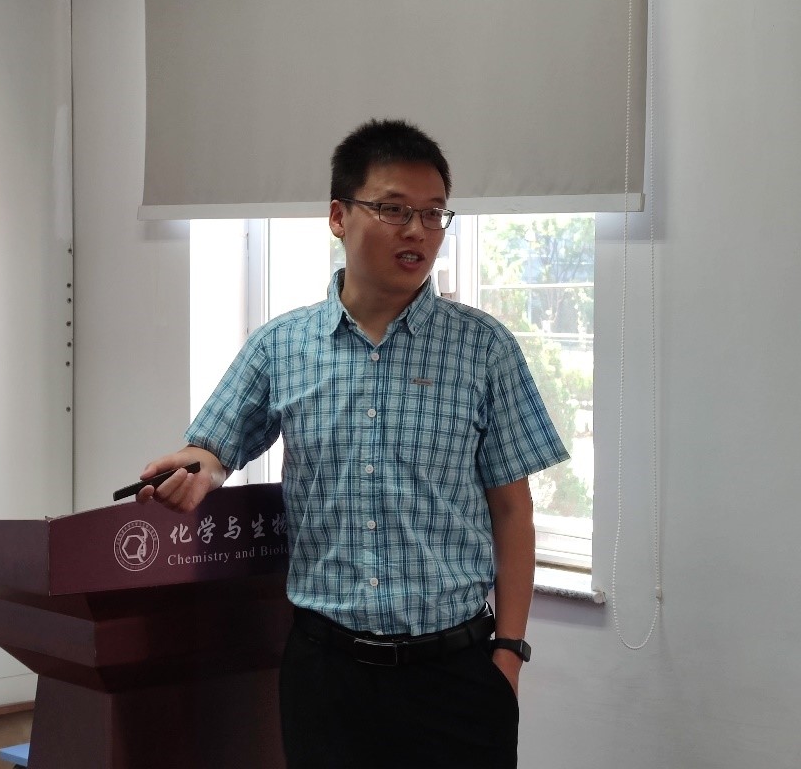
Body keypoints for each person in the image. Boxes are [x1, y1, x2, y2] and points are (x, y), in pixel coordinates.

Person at [138, 119, 569, 768]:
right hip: (326, 674)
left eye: (433, 214)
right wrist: (196, 468)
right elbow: (213, 448)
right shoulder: (281, 346)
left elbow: (512, 512)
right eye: (394, 209)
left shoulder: (484, 349)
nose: (417, 231)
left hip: (455, 673)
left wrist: (508, 654)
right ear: (339, 216)